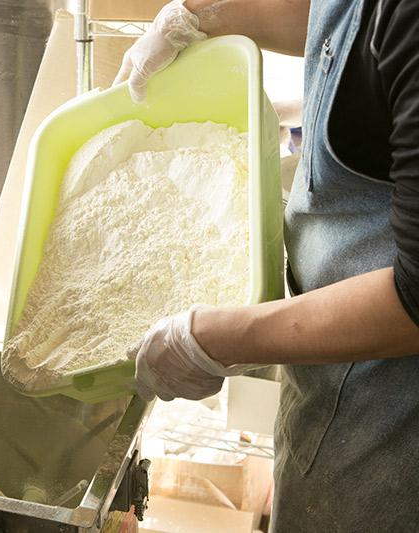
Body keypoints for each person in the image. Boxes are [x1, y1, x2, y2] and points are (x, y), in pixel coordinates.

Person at [114, 0, 419, 530]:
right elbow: (338, 21)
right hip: (330, 367)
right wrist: (194, 15)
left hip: (390, 415)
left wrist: (217, 338)